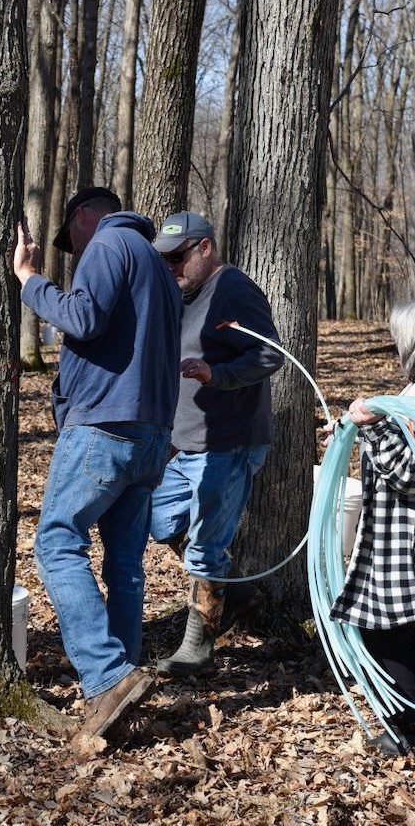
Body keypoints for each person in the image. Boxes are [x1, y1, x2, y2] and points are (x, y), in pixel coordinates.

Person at [14, 186, 182, 745]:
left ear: (86, 216)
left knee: (56, 542)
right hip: (152, 430)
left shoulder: (110, 245)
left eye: (72, 236)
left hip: (107, 425)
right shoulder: (157, 265)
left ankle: (107, 675)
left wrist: (29, 280)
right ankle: (126, 678)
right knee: (126, 563)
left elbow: (82, 319)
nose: (74, 248)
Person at [149, 211, 284, 675]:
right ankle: (233, 589)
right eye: (164, 260)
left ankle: (199, 646)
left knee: (205, 544)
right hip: (186, 442)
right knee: (160, 518)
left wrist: (218, 375)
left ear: (205, 248)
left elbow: (269, 352)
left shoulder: (233, 289)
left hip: (229, 440)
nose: (172, 268)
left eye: (179, 258)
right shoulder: (181, 293)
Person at [329, 295, 415, 759]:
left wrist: (372, 429)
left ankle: (401, 734)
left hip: (407, 548)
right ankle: (405, 733)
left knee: (386, 634)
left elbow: (413, 477)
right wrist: (357, 429)